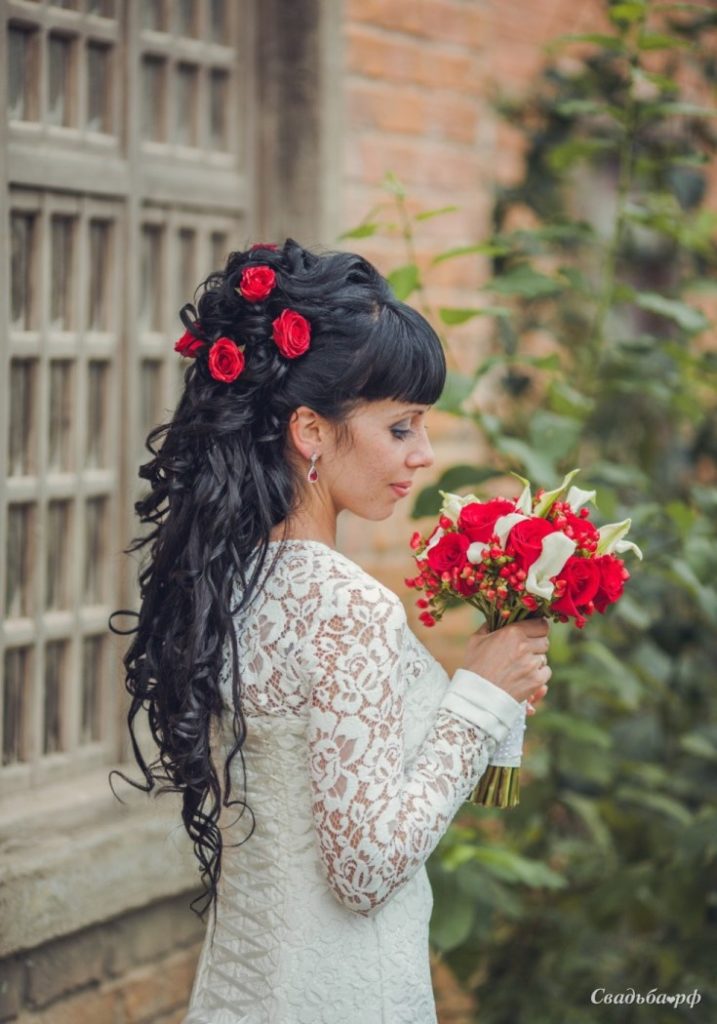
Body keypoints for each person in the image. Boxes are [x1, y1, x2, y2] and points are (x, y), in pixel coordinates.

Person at [112, 239, 551, 1024]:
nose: (423, 456)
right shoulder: (346, 606)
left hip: (239, 992)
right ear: (310, 432)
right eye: (401, 428)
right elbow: (364, 867)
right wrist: (479, 701)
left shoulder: (230, 580)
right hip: (348, 994)